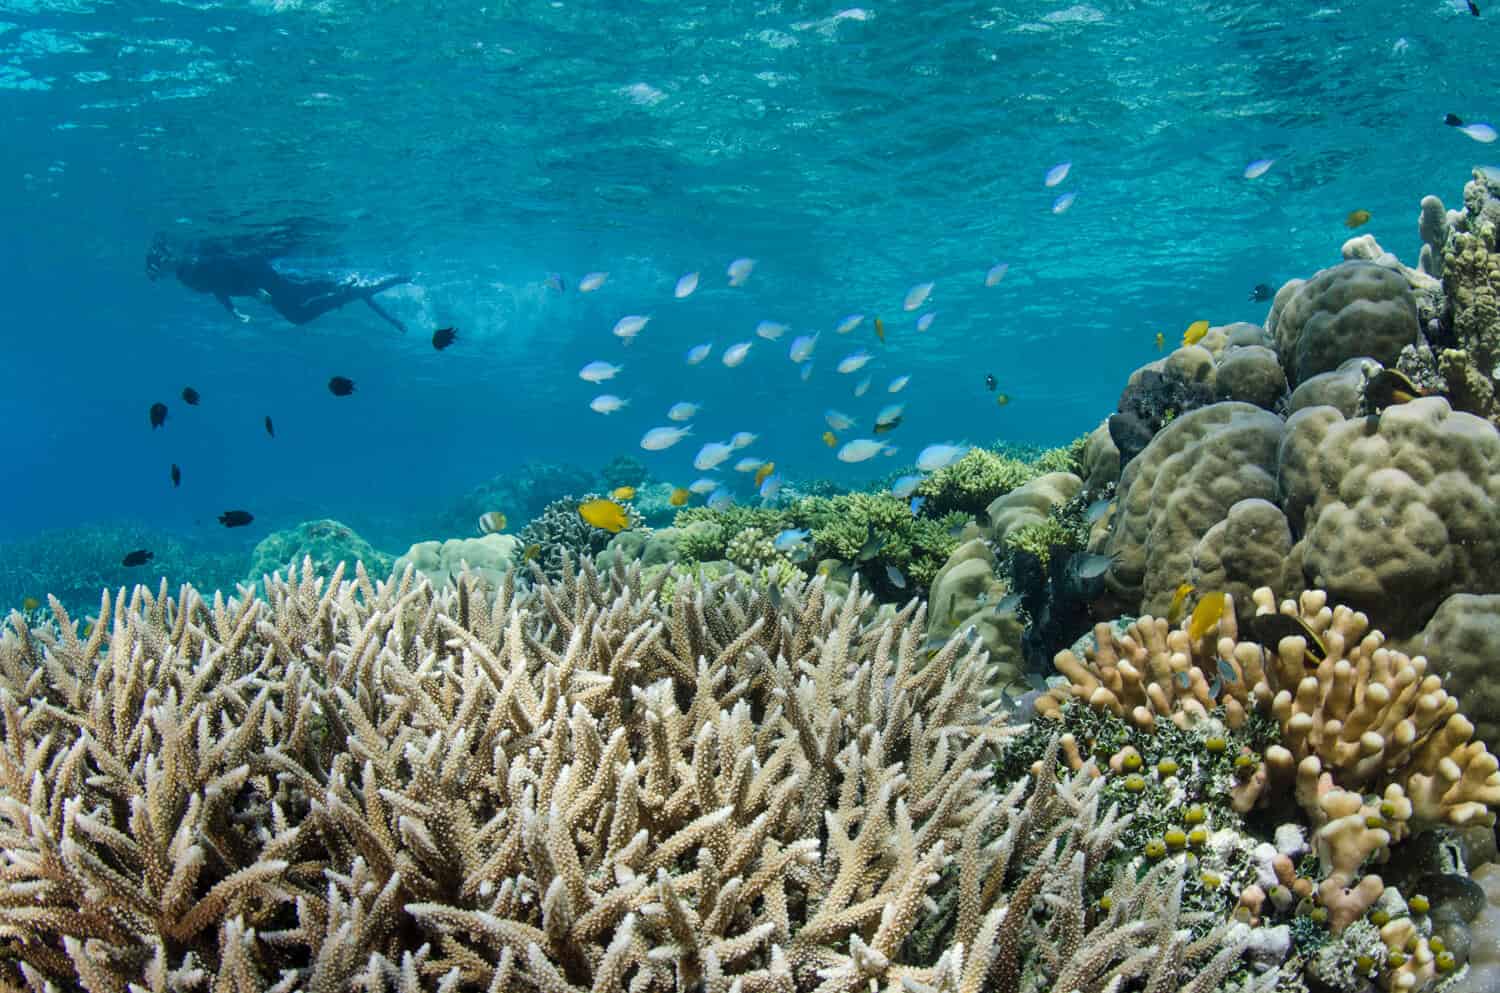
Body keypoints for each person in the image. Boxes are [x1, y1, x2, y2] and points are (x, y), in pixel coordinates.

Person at [146, 233, 411, 333]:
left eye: (161, 265)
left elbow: (227, 269)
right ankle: (347, 288)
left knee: (297, 310)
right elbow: (218, 286)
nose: (163, 272)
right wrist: (233, 310)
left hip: (257, 277)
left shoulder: (194, 263)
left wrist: (252, 289)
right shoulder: (186, 277)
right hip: (256, 284)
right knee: (301, 292)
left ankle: (354, 289)